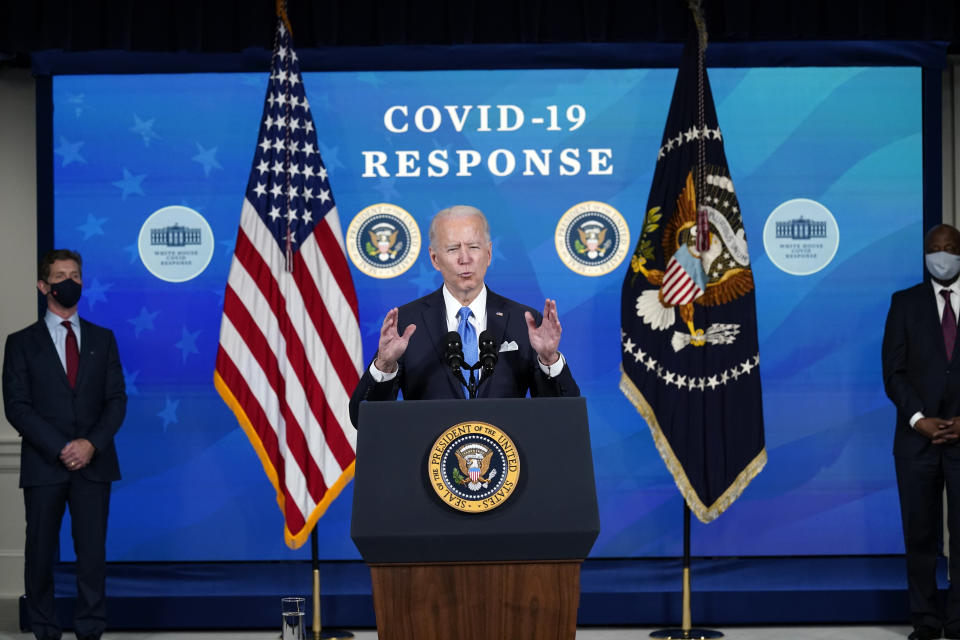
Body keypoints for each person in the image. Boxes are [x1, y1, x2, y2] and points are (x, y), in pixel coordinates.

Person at [349, 205, 579, 426]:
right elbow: (363, 418)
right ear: (435, 259)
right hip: (429, 459)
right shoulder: (408, 323)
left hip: (507, 459)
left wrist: (550, 360)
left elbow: (564, 417)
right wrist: (384, 365)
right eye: (452, 249)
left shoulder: (524, 321)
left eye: (473, 247)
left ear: (488, 254)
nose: (464, 258)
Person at [2, 250, 126, 640]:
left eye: (75, 274)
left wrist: (89, 444)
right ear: (44, 286)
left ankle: (90, 630)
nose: (69, 281)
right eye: (60, 276)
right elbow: (17, 407)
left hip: (95, 464)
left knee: (91, 555)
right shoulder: (20, 343)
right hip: (44, 465)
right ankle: (44, 628)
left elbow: (116, 400)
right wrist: (62, 447)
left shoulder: (103, 339)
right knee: (40, 554)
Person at [883, 224, 960, 640]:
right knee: (920, 535)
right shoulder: (904, 303)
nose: (942, 255)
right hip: (916, 441)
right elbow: (892, 372)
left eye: (950, 248)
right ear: (925, 254)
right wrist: (919, 419)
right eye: (935, 248)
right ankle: (926, 620)